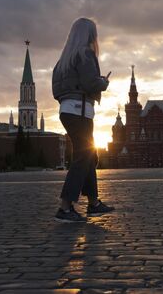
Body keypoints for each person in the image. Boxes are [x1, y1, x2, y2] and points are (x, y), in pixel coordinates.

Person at [51, 17, 115, 223]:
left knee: (88, 155)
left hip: (67, 110)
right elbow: (90, 83)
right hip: (80, 111)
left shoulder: (63, 61)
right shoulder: (85, 54)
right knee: (83, 156)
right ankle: (65, 207)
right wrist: (103, 82)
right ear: (90, 35)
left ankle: (94, 203)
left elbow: (56, 90)